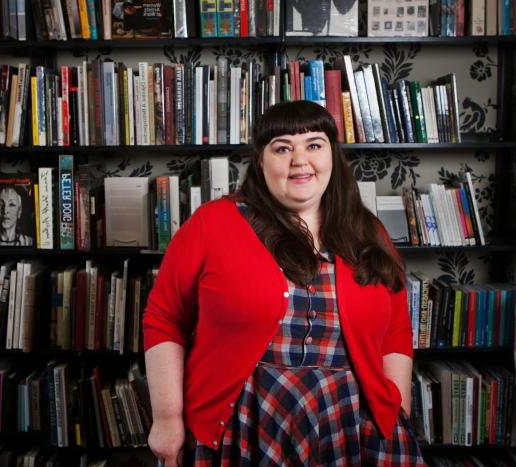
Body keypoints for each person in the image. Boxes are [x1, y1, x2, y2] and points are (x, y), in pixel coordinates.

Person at [142, 101, 425, 465]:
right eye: (282, 147)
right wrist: (167, 419)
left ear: (332, 155)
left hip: (353, 428)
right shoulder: (213, 223)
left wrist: (393, 411)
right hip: (247, 426)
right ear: (260, 161)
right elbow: (165, 319)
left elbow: (396, 332)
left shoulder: (370, 232)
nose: (300, 160)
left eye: (314, 144)